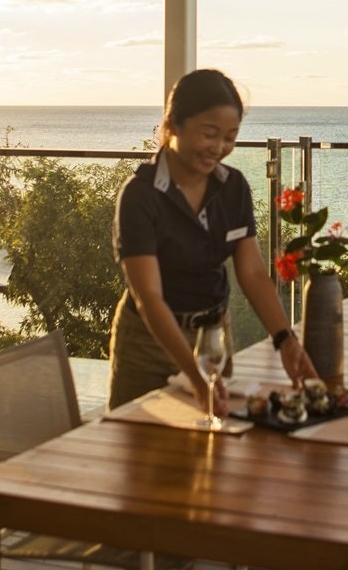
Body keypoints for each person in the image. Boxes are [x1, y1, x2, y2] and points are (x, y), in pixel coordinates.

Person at [110, 69, 319, 412]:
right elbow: (148, 296)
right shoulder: (140, 196)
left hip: (213, 340)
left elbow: (251, 273)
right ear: (172, 125)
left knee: (215, 447)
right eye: (209, 134)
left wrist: (286, 340)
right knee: (140, 456)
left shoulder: (233, 187)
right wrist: (195, 375)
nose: (219, 148)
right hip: (148, 345)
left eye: (230, 137)